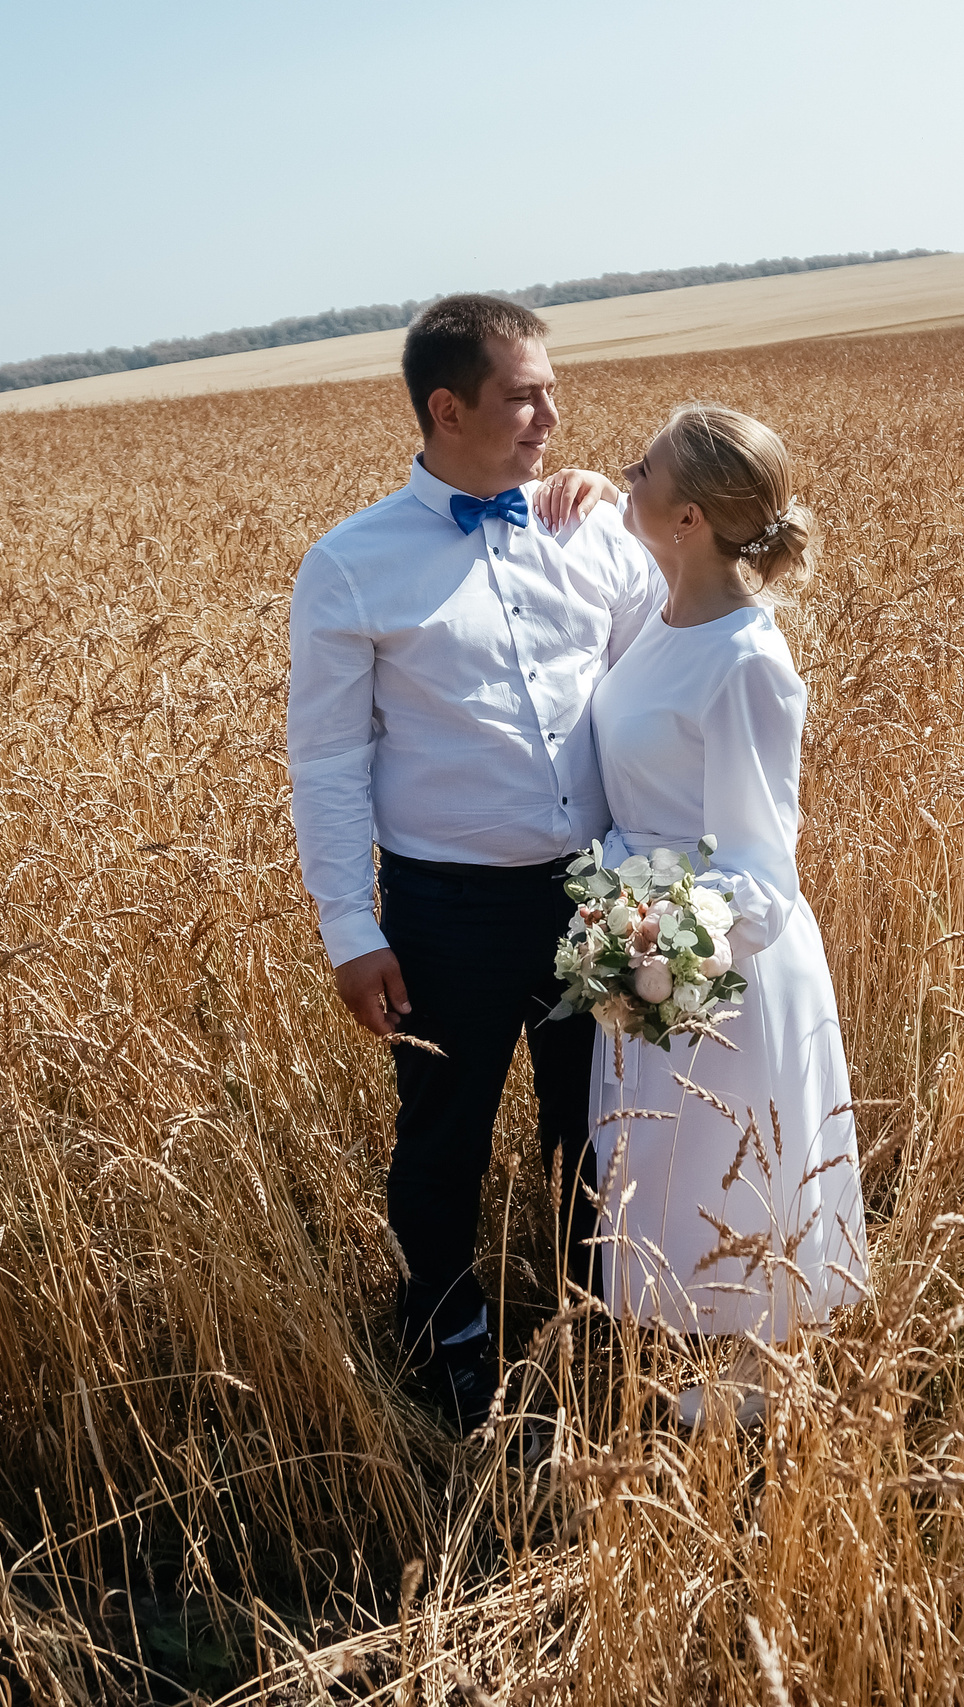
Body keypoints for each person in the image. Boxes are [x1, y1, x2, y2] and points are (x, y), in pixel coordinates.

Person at [286, 294, 663, 1433]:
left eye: (552, 386)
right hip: (447, 910)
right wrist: (351, 930)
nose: (552, 414)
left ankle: (597, 1332)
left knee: (595, 1129)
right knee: (442, 1138)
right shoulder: (350, 566)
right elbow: (327, 760)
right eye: (524, 395)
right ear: (448, 408)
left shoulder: (590, 529)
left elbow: (666, 674)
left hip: (594, 891)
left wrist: (628, 501)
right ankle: (448, 1348)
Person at [578, 403, 870, 1426]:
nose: (624, 468)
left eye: (642, 465)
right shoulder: (659, 619)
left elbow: (760, 864)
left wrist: (650, 940)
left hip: (715, 974)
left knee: (729, 1205)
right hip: (644, 953)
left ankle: (748, 1459)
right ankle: (684, 1429)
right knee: (662, 1195)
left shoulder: (747, 659)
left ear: (688, 514)